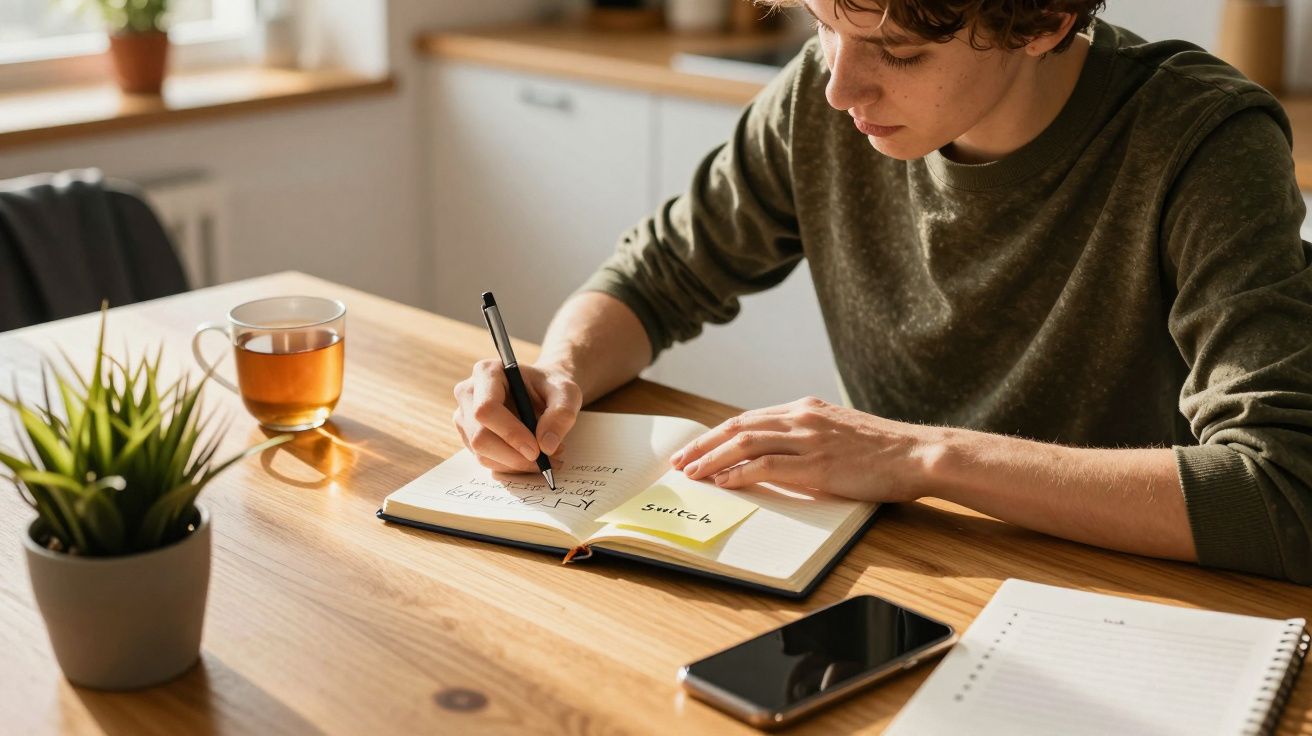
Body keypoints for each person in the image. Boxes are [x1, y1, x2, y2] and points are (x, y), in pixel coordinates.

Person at [452, 0, 1312, 584]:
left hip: (1138, 599)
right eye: (825, 22)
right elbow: (659, 274)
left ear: (1044, 19)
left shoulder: (1204, 142)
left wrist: (917, 457)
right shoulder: (818, 104)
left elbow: (1282, 494)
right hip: (906, 573)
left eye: (899, 50)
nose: (839, 86)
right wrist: (557, 370)